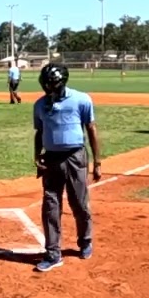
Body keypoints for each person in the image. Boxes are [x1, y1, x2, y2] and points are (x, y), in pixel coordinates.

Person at [33, 64, 101, 272]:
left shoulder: (81, 99)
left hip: (75, 157)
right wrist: (37, 156)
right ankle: (53, 253)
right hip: (51, 159)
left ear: (61, 83)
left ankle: (85, 240)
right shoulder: (40, 105)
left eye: (51, 84)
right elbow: (39, 132)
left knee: (79, 203)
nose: (47, 87)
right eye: (45, 83)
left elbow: (91, 129)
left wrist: (97, 162)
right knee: (50, 205)